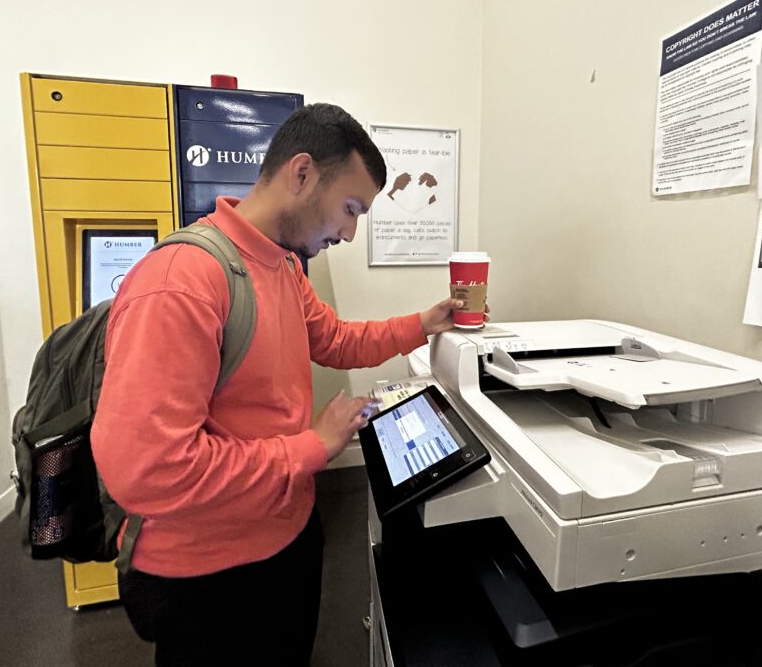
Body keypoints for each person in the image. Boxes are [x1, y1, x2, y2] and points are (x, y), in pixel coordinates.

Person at [91, 102, 476, 666]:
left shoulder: (283, 267)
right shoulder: (182, 283)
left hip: (285, 532)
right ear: (300, 174)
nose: (348, 233)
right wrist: (311, 447)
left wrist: (422, 325)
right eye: (349, 208)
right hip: (209, 575)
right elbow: (148, 469)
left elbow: (335, 340)